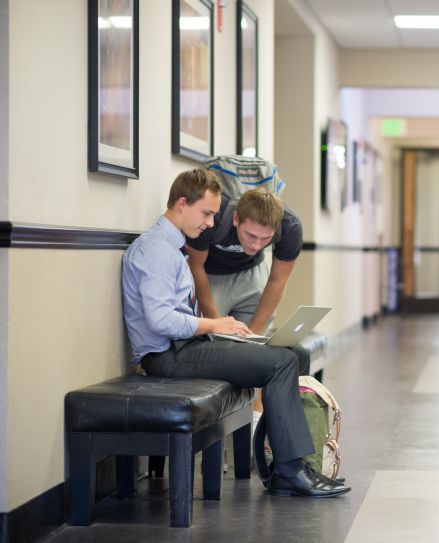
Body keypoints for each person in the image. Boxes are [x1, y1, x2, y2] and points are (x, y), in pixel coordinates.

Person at [121, 168, 350, 498]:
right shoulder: (157, 250)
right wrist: (216, 325)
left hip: (187, 346)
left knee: (295, 354)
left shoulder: (170, 247)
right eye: (207, 213)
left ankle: (287, 460)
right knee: (281, 364)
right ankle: (290, 470)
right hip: (167, 356)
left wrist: (224, 332)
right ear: (182, 204)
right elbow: (159, 321)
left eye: (214, 214)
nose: (212, 224)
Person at [185, 187, 306, 422]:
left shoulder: (290, 227)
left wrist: (255, 335)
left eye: (265, 239)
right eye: (250, 235)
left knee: (259, 353)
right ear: (236, 219)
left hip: (251, 273)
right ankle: (216, 424)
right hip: (209, 274)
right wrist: (218, 324)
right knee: (211, 344)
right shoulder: (215, 218)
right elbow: (195, 267)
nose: (256, 244)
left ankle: (255, 424)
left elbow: (277, 280)